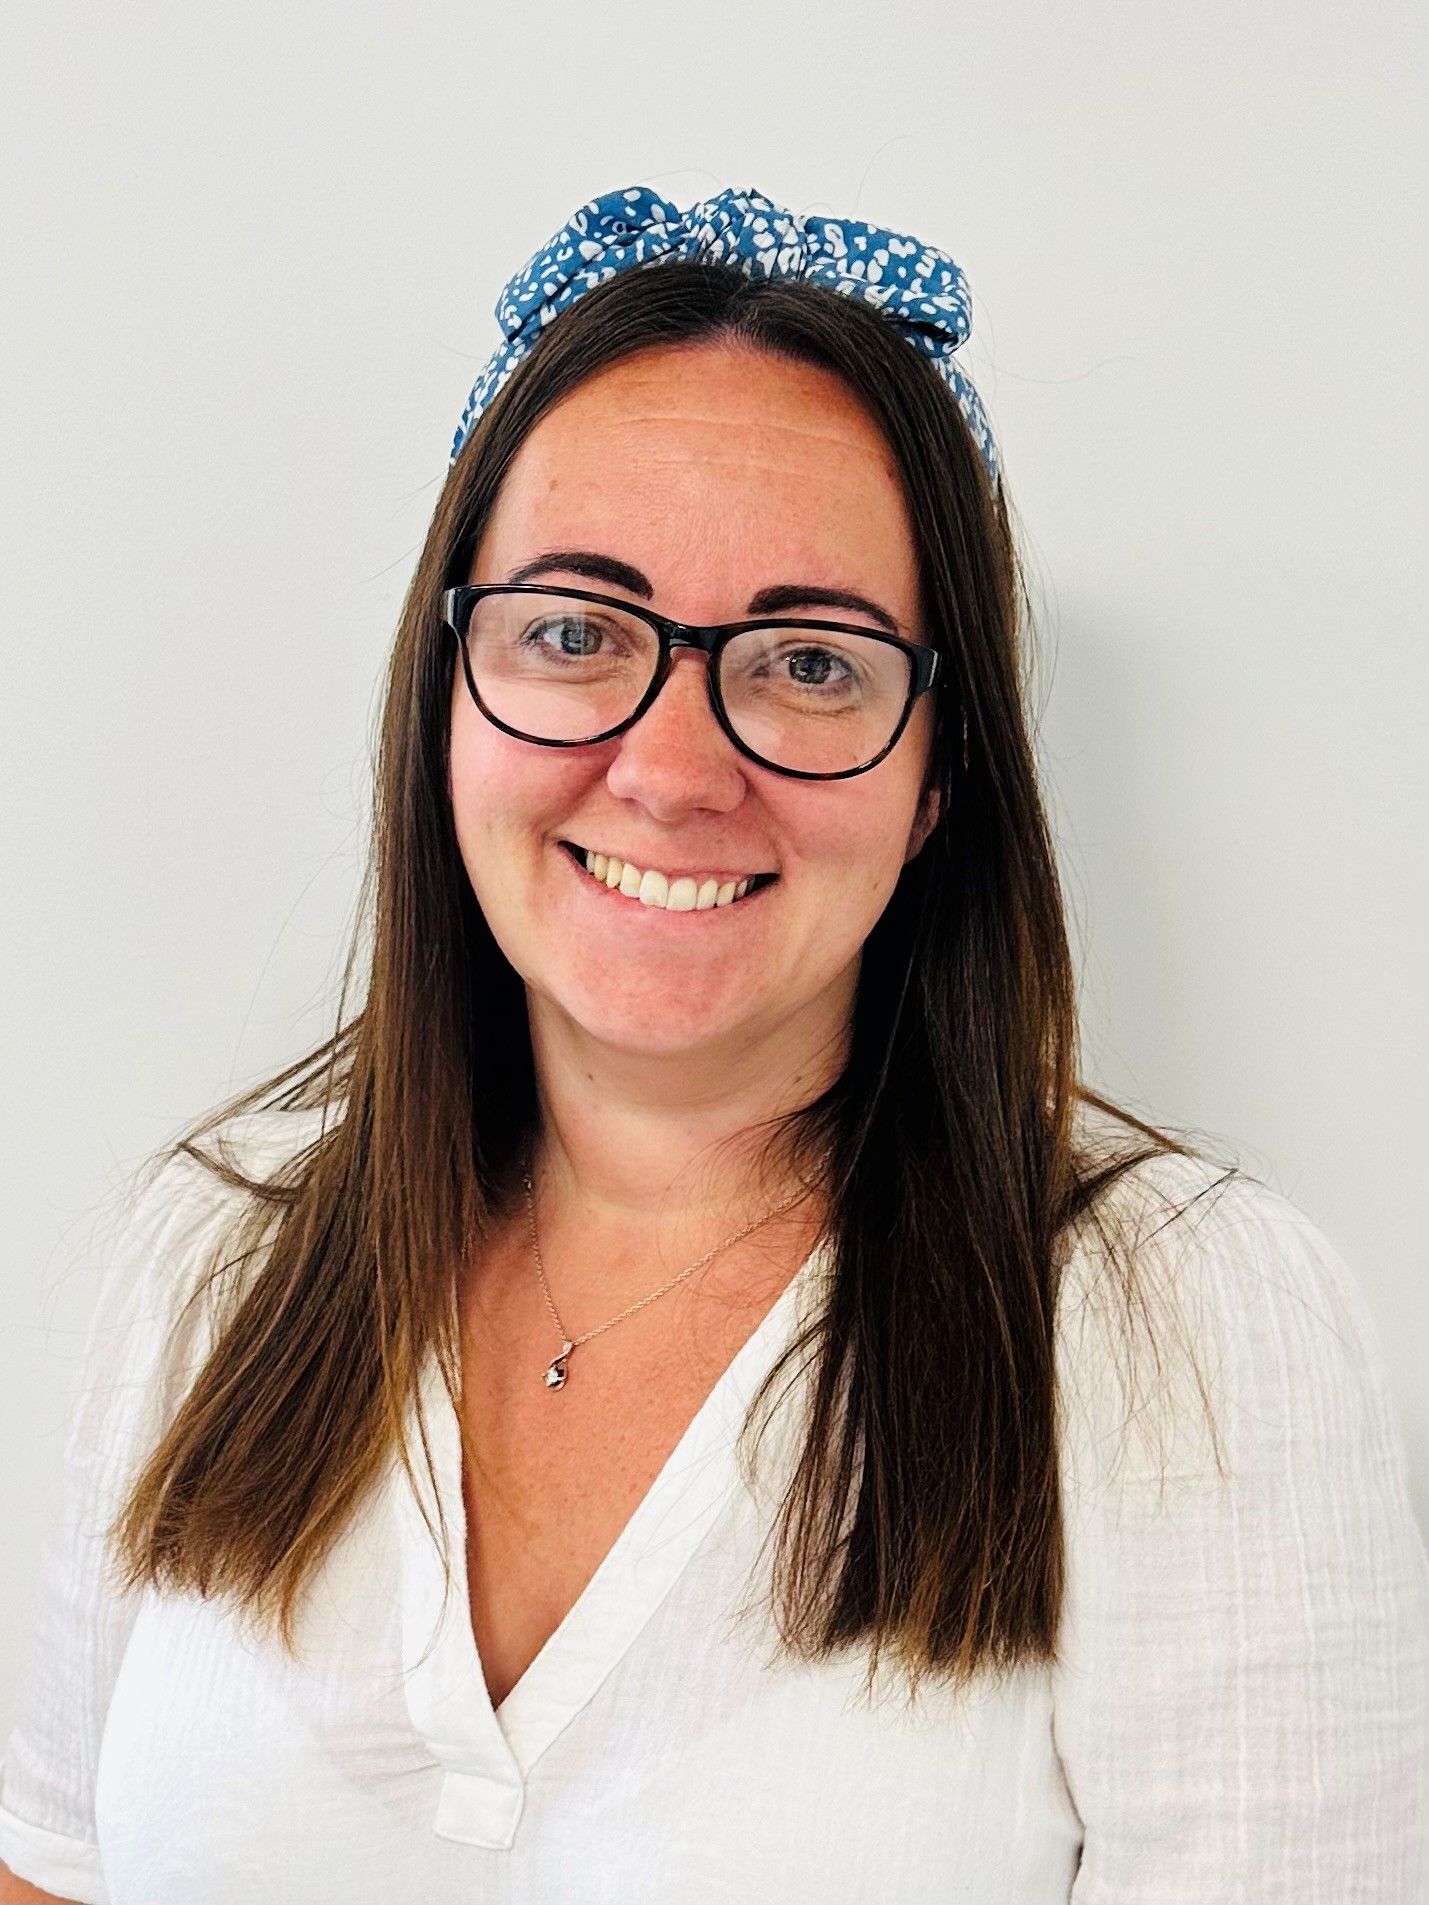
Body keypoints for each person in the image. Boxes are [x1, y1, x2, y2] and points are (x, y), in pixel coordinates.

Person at [1, 183, 1425, 1905]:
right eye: (576, 632)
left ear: (939, 773)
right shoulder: (219, 1249)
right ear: (449, 692)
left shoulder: (1179, 1320)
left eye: (807, 661)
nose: (673, 770)